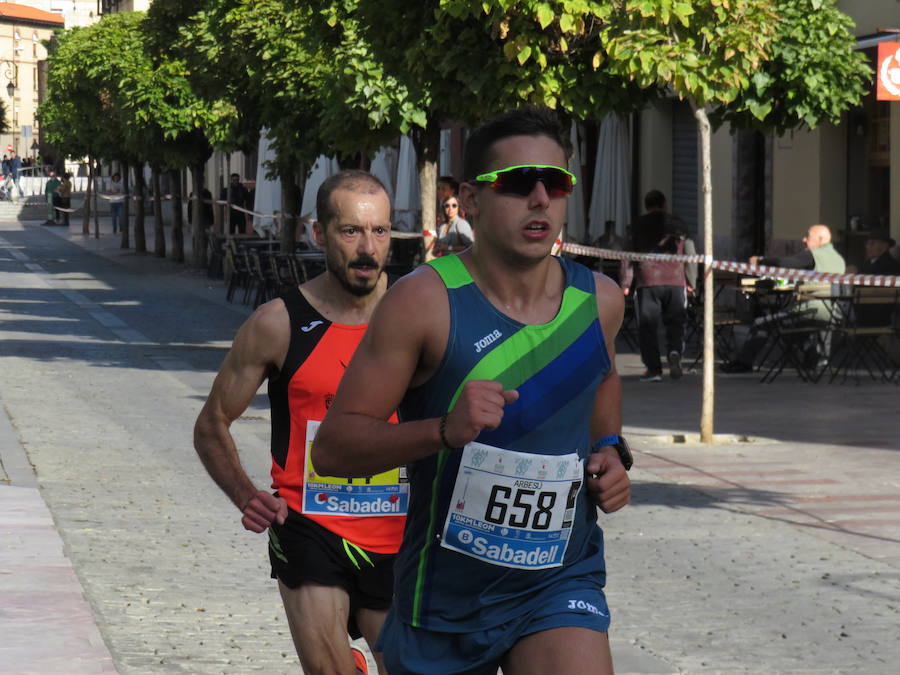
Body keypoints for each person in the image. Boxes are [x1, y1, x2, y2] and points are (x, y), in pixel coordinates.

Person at [314, 107, 631, 675]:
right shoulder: (423, 303)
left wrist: (609, 446)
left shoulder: (600, 301)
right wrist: (443, 431)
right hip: (445, 599)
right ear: (472, 199)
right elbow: (334, 448)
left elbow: (603, 373)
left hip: (558, 577)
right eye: (516, 183)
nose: (540, 199)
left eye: (555, 183)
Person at [193, 170, 404, 675]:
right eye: (350, 231)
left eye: (379, 231)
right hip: (309, 524)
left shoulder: (418, 315)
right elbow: (212, 423)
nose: (367, 249)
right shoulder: (278, 323)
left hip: (400, 533)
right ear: (318, 233)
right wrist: (246, 495)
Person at [721, 223, 846, 373]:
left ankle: (743, 363)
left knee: (761, 323)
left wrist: (760, 261)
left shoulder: (814, 255)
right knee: (785, 325)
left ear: (821, 239)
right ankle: (809, 359)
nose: (803, 240)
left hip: (809, 312)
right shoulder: (839, 259)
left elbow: (785, 263)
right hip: (832, 314)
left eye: (808, 236)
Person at [620, 190, 697, 382]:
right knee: (676, 322)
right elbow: (691, 254)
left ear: (646, 206)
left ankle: (653, 369)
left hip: (647, 281)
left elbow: (627, 257)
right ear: (664, 204)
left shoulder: (636, 226)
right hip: (675, 280)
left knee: (647, 326)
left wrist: (626, 283)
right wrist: (691, 281)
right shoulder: (679, 226)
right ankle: (674, 352)